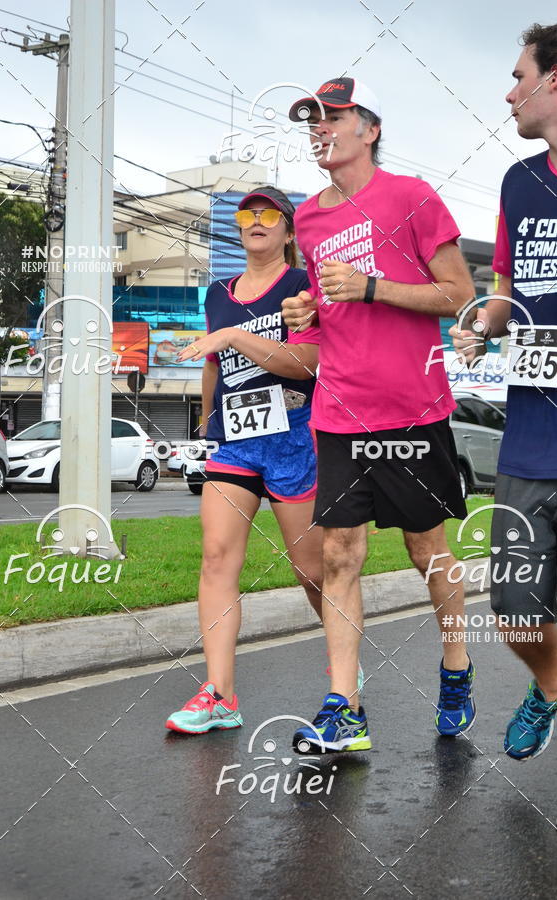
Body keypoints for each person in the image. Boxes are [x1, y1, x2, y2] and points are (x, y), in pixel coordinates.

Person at [281, 78, 476, 754]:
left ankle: (456, 665)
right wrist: (304, 310)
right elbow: (322, 300)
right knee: (338, 550)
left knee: (427, 548)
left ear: (369, 130)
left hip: (412, 407)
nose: (319, 128)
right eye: (312, 120)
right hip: (339, 406)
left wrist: (372, 288)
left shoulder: (412, 198)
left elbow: (460, 296)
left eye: (333, 117)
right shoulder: (307, 217)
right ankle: (346, 707)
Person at [451, 21, 557, 832]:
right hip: (529, 440)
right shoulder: (518, 184)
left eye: (518, 75)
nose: (508, 91)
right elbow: (506, 289)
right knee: (515, 613)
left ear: (556, 78)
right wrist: (481, 321)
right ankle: (547, 684)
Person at [165, 186, 325, 734]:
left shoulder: (303, 286)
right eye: (247, 214)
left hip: (294, 438)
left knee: (312, 571)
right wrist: (207, 422)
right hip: (234, 438)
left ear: (288, 230)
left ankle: (343, 681)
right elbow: (213, 362)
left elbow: (306, 364)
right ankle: (220, 694)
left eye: (269, 214)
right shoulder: (218, 293)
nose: (256, 221)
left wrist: (235, 334)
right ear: (238, 227)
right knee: (215, 558)